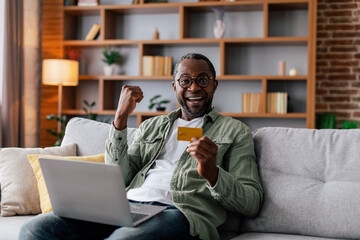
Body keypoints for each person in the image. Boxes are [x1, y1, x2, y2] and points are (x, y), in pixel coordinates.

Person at [19, 53, 263, 240]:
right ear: (174, 86)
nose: (194, 87)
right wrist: (120, 120)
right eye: (185, 80)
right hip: (126, 206)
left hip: (180, 214)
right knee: (35, 229)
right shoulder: (152, 126)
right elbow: (121, 176)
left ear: (214, 85)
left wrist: (213, 174)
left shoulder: (236, 131)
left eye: (202, 80)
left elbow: (251, 203)